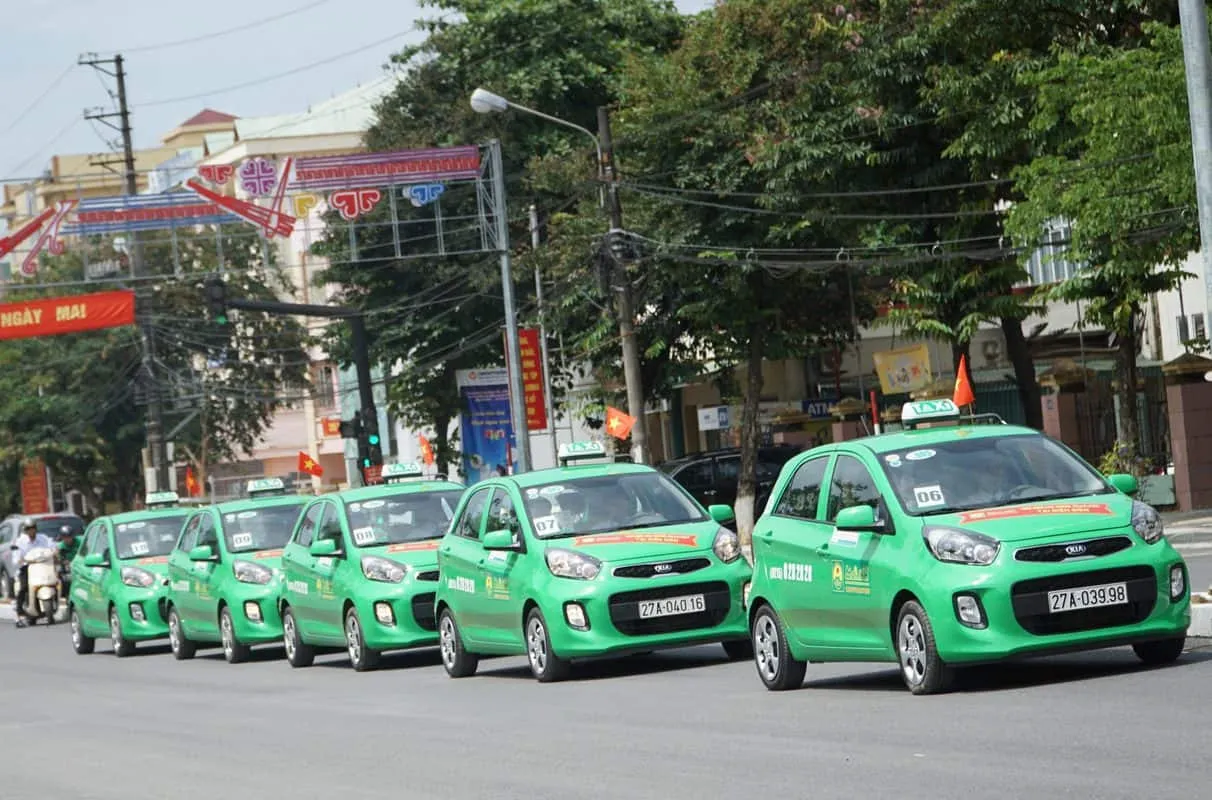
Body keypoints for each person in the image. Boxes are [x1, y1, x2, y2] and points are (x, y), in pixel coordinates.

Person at [12, 521, 55, 628]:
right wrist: (22, 560)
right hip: (27, 568)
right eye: (28, 529)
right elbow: (16, 558)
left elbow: (53, 547)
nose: (31, 530)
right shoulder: (20, 542)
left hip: (43, 566)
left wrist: (55, 552)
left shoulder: (43, 538)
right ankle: (20, 612)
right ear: (25, 531)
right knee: (24, 587)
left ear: (36, 528)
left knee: (57, 580)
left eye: (32, 528)